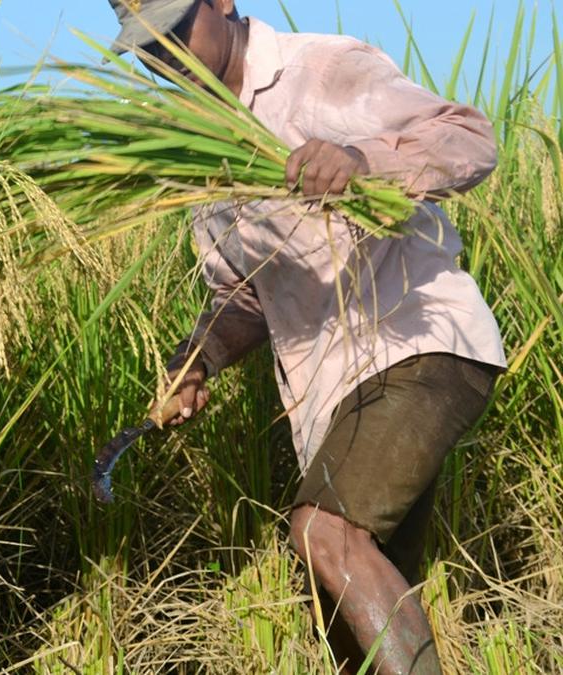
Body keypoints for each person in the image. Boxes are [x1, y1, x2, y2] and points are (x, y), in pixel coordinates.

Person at [105, 1, 507, 673]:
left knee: (325, 531)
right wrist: (198, 357)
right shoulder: (205, 158)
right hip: (334, 402)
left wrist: (360, 159)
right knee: (350, 639)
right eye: (149, 47)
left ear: (223, 2)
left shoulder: (321, 69)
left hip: (418, 341)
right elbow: (243, 298)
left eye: (176, 32)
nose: (166, 57)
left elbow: (468, 135)